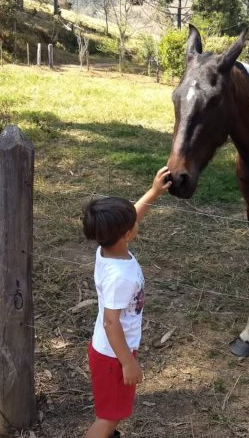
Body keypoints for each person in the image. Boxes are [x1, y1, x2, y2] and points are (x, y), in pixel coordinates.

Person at [82, 166, 171, 438]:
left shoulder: (106, 249)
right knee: (108, 418)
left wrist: (154, 192)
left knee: (114, 412)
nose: (137, 220)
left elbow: (131, 215)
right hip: (113, 356)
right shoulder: (121, 277)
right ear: (127, 234)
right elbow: (111, 322)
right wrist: (127, 363)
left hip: (110, 352)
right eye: (133, 223)